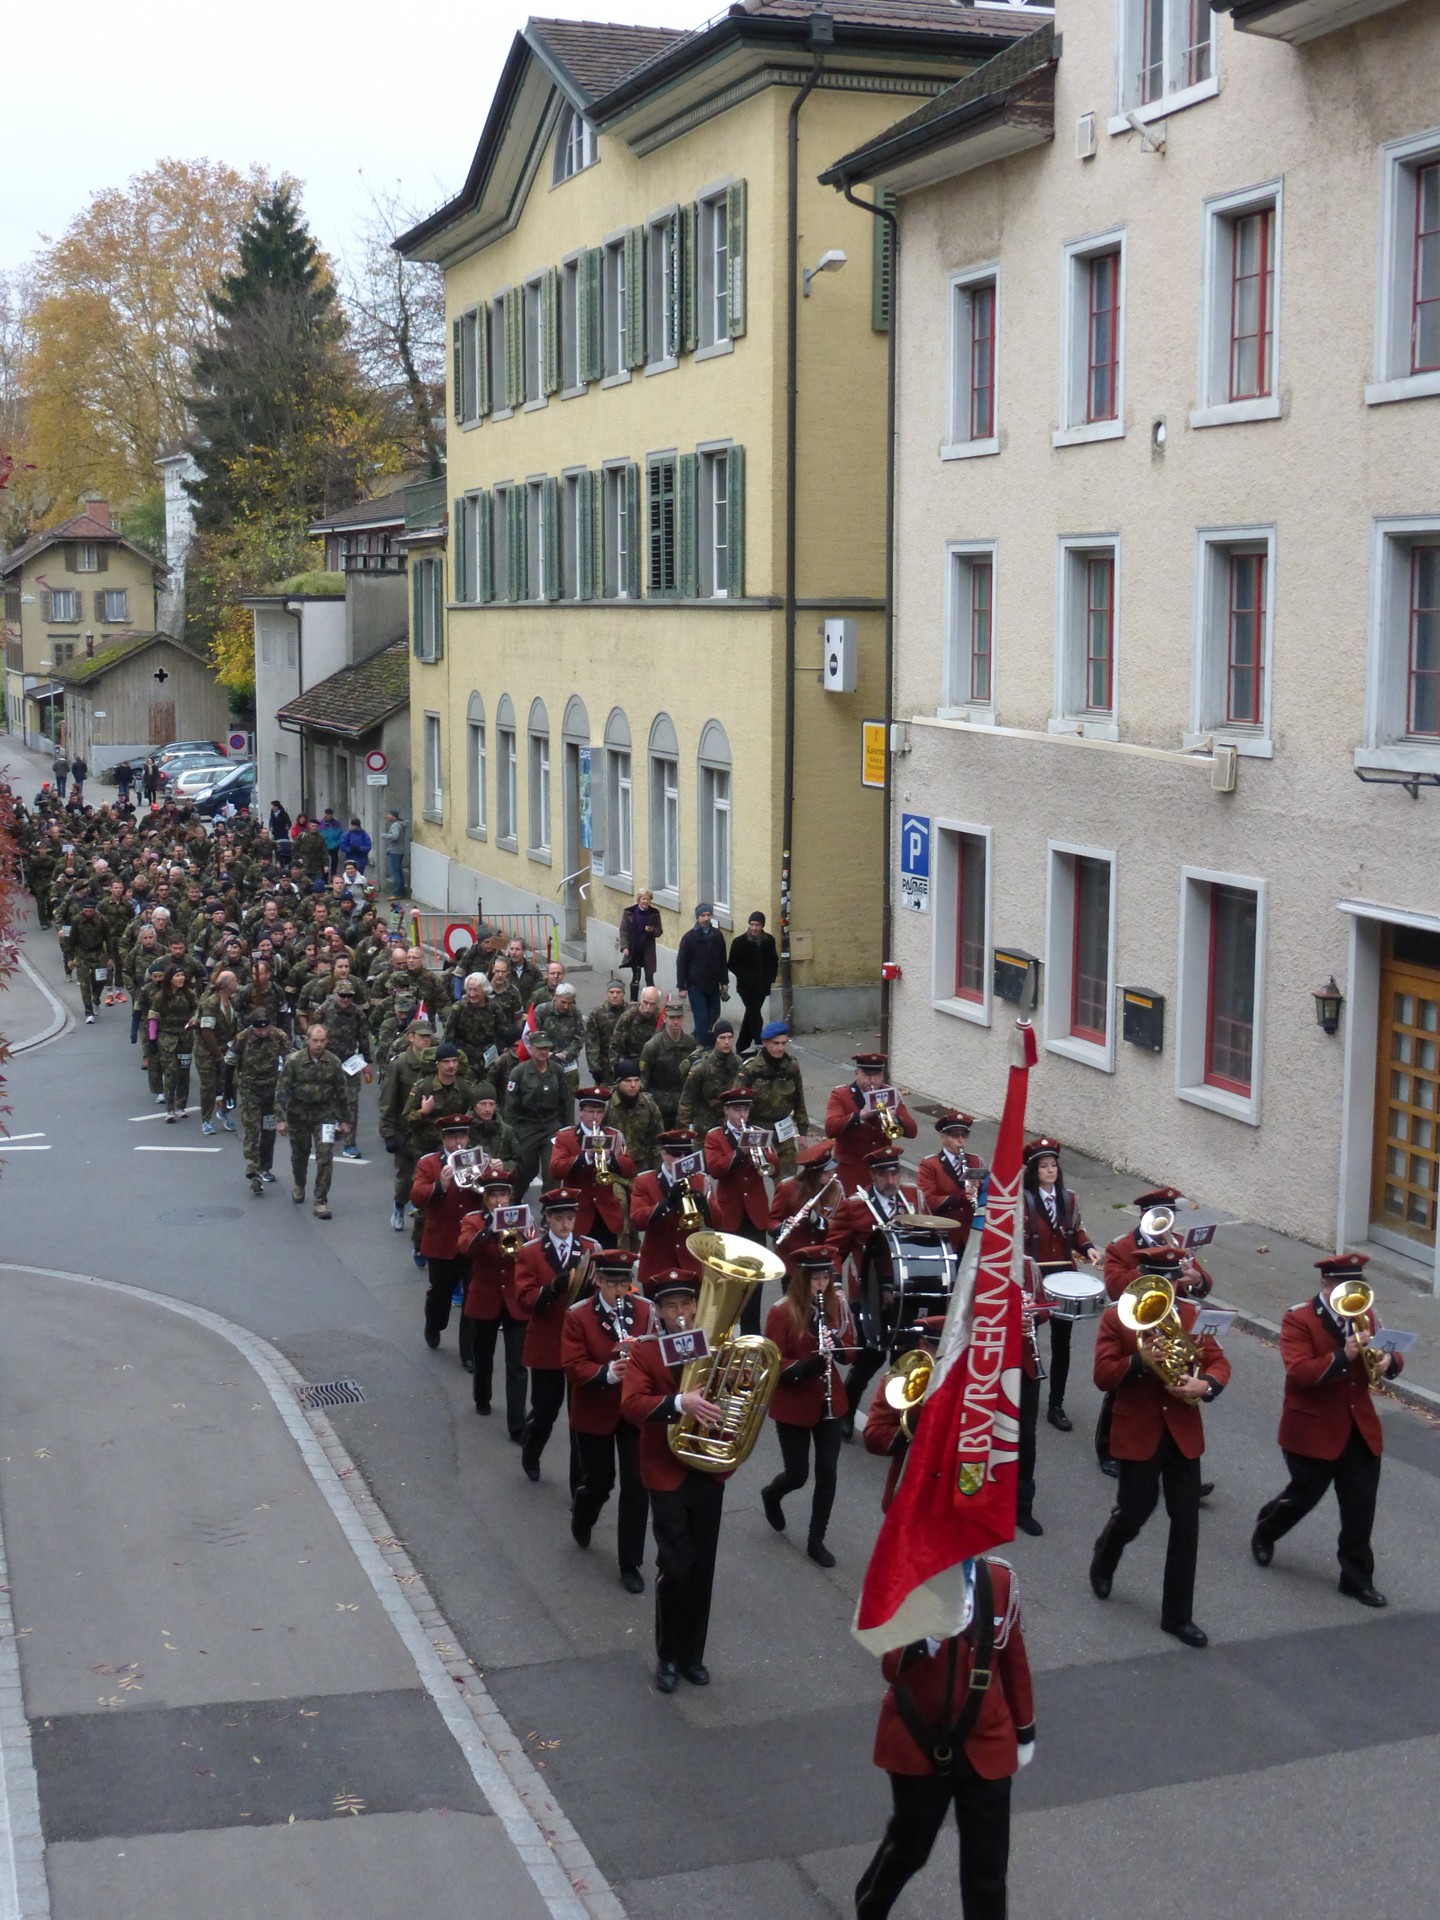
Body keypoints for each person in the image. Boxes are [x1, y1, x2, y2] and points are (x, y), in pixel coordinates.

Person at [855, 1556, 1035, 1920]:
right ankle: (870, 1906)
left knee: (987, 1869)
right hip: (918, 1739)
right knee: (911, 1846)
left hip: (987, 1741)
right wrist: (929, 1633)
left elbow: (1013, 1659)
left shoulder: (999, 1579)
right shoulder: (907, 1579)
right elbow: (891, 1667)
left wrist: (1024, 1731)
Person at [1089, 1248, 1230, 1646]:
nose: (1167, 1291)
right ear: (1143, 1279)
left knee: (1186, 1524)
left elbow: (1218, 1362)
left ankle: (1177, 1616)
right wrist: (1139, 1360)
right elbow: (1102, 1376)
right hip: (1139, 1432)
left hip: (1183, 1432)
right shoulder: (1117, 1317)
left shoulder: (1191, 1316)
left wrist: (1207, 1385)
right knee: (1135, 1512)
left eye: (1172, 1282)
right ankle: (1107, 1551)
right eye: (1159, 1282)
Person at [1251, 1253, 1399, 1607]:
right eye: (1344, 1287)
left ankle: (1357, 1577)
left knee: (1360, 1506)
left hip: (1358, 1427)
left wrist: (1389, 1360)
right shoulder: (1299, 1318)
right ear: (1326, 1285)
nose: (1353, 1294)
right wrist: (1341, 1357)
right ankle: (1267, 1528)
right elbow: (1299, 1373)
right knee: (1304, 1497)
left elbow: (1390, 1354)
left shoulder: (1366, 1315)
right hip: (1312, 1427)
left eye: (1358, 1286)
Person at [621, 1270, 729, 1692]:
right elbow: (631, 1405)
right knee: (676, 1566)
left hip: (708, 1467)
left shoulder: (715, 1347)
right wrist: (679, 1401)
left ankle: (692, 1656)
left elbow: (739, 1389)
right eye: (671, 1307)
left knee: (703, 1565)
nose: (681, 1314)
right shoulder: (646, 1352)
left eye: (687, 1305)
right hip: (665, 1471)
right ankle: (667, 1655)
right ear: (659, 1312)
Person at [1097, 1188, 1212, 1476]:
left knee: (1161, 1391)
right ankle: (1108, 1449)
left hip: (1171, 1319)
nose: (1168, 1223)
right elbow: (1113, 1287)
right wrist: (1150, 1271)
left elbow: (1204, 1285)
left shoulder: (1178, 1246)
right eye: (1162, 1216)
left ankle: (1178, 1465)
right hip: (1132, 1321)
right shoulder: (1122, 1247)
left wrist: (1196, 1278)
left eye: (1171, 1216)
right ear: (1143, 1216)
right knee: (1122, 1389)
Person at [562, 1247, 653, 1593]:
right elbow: (572, 1365)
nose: (619, 1290)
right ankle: (583, 1512)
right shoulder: (578, 1315)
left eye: (624, 1283)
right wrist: (608, 1373)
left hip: (633, 1412)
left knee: (637, 1484)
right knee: (600, 1483)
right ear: (597, 1280)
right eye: (612, 1283)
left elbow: (655, 1350)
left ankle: (630, 1562)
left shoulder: (645, 1310)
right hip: (595, 1409)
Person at [760, 1250, 855, 1566]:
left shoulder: (835, 1306)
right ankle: (772, 1494)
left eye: (826, 1278)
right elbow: (770, 1360)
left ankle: (817, 1540)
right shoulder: (781, 1311)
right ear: (802, 1278)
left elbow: (850, 1347)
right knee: (798, 1474)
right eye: (815, 1278)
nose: (822, 1284)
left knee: (828, 1472)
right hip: (794, 1402)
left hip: (830, 1401)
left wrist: (838, 1347)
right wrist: (805, 1366)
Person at [828, 1147, 922, 1431]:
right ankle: (846, 1411)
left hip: (907, 1293)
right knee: (870, 1358)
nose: (892, 1180)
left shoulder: (913, 1200)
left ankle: (896, 1419)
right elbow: (834, 1249)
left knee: (904, 1359)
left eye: (895, 1173)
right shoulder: (854, 1206)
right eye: (884, 1175)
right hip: (869, 1295)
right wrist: (836, 1287)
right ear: (873, 1175)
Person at [515, 1188, 598, 1483]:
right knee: (545, 1411)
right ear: (547, 1219)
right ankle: (531, 1450)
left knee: (580, 1416)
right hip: (547, 1342)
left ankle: (579, 1480)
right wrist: (552, 1288)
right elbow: (524, 1299)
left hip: (582, 1346)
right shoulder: (531, 1251)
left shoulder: (590, 1247)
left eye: (570, 1218)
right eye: (559, 1218)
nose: (566, 1224)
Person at [1021, 1136, 1101, 1435]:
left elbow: (1076, 1230)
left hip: (1064, 1278)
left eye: (1053, 1165)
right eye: (1044, 1166)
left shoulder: (1069, 1198)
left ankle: (1056, 1403)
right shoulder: (1023, 1200)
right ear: (1034, 1171)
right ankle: (1021, 1394)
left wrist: (1088, 1247)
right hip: (1034, 1279)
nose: (1050, 1171)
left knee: (1061, 1344)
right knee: (1027, 1339)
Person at [458, 1167, 531, 1435]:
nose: (499, 1200)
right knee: (483, 1354)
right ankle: (482, 1396)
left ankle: (517, 1426)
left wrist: (520, 1235)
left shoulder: (523, 1219)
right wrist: (488, 1230)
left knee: (517, 1364)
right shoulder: (473, 1221)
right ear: (485, 1198)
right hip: (485, 1297)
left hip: (515, 1300)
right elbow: (466, 1249)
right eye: (493, 1195)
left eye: (503, 1194)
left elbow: (532, 1250)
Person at [704, 1086, 776, 1332]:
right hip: (730, 1217)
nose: (742, 1114)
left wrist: (765, 1153)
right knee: (731, 1279)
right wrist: (740, 1152)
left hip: (755, 1217)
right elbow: (715, 1168)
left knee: (755, 1279)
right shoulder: (715, 1136)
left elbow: (774, 1165)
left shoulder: (757, 1133)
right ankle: (725, 1333)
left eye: (745, 1109)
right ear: (726, 1110)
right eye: (737, 1109)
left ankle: (751, 1334)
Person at [412, 1116, 480, 1353]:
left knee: (472, 1297)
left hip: (472, 1242)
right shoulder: (429, 1163)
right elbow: (417, 1196)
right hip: (442, 1242)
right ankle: (434, 1325)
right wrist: (439, 1184)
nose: (458, 1142)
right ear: (443, 1139)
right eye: (452, 1137)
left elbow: (498, 1195)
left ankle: (468, 1351)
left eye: (462, 1137)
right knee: (440, 1295)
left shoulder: (478, 1161)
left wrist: (490, 1178)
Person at [276, 1022, 351, 1219]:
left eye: (322, 1041)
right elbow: (282, 1091)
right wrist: (280, 1119)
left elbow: (342, 1093)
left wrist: (345, 1120)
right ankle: (299, 1183)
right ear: (307, 1040)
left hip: (324, 1116)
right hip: (298, 1115)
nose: (318, 1045)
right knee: (299, 1155)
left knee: (325, 1157)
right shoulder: (294, 1061)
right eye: (315, 1040)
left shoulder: (334, 1062)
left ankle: (321, 1200)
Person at [547, 1089, 634, 1248]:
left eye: (599, 1112)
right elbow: (556, 1169)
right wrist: (585, 1157)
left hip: (607, 1215)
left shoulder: (614, 1136)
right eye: (590, 1111)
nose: (595, 1117)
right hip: (579, 1216)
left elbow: (629, 1169)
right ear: (580, 1112)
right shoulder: (566, 1136)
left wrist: (611, 1158)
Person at [824, 1052, 917, 1195]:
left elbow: (912, 1131)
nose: (872, 1080)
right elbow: (830, 1129)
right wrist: (860, 1115)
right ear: (857, 1073)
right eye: (867, 1075)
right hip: (851, 1173)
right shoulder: (841, 1095)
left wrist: (896, 1119)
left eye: (877, 1075)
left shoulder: (890, 1094)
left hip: (882, 1173)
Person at [631, 1129, 712, 1294]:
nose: (682, 1159)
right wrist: (667, 1204)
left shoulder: (701, 1180)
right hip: (656, 1267)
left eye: (687, 1154)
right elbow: (637, 1219)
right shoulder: (645, 1181)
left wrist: (704, 1205)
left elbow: (719, 1221)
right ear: (663, 1154)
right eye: (676, 1154)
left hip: (690, 1266)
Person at [738, 1021, 808, 1181]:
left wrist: (803, 1132)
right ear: (765, 1043)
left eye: (784, 1043)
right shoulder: (751, 1068)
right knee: (752, 1178)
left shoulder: (791, 1066)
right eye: (775, 1043)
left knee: (788, 1180)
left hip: (783, 1128)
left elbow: (799, 1100)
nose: (780, 1048)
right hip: (757, 1127)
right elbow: (736, 1102)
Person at [504, 1031, 567, 1200]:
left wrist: (567, 1130)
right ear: (530, 1049)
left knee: (552, 1170)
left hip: (551, 1127)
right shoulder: (519, 1072)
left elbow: (565, 1102)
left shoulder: (557, 1071)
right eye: (539, 1048)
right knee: (525, 1170)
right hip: (527, 1126)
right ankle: (513, 1202)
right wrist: (512, 1135)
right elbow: (511, 1107)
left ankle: (551, 1209)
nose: (543, 1052)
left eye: (546, 1048)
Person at [916, 1112, 985, 1259]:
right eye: (954, 1135)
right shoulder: (930, 1164)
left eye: (964, 1135)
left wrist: (979, 1191)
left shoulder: (975, 1161)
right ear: (943, 1137)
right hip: (945, 1233)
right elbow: (927, 1201)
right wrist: (959, 1197)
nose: (960, 1141)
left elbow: (987, 1195)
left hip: (970, 1233)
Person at [769, 1139, 842, 1268]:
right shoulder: (788, 1187)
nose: (832, 1174)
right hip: (794, 1261)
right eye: (826, 1172)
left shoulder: (836, 1188)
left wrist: (817, 1220)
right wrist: (783, 1227)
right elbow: (771, 1222)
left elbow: (840, 1224)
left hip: (822, 1259)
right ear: (814, 1174)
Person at [234, 1009, 284, 1195]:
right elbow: (231, 1063)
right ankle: (253, 1170)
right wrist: (228, 1092)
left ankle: (266, 1167)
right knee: (252, 1129)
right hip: (250, 1090)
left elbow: (288, 1060)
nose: (262, 1033)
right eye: (258, 1029)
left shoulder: (279, 1036)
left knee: (269, 1131)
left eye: (265, 1029)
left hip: (272, 1090)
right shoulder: (242, 1038)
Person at [675, 903, 729, 1046]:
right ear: (697, 918)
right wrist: (681, 986)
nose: (706, 918)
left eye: (708, 915)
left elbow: (722, 960)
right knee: (701, 1017)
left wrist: (724, 982)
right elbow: (681, 963)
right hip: (695, 985)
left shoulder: (717, 935)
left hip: (713, 984)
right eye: (702, 915)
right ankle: (704, 1047)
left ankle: (697, 1036)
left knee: (714, 1015)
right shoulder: (689, 938)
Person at [676, 1019, 740, 1139]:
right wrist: (684, 1132)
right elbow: (686, 1101)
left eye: (729, 1037)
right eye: (722, 1037)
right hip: (704, 1130)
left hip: (731, 1128)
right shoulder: (701, 1067)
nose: (726, 1042)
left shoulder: (738, 1064)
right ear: (715, 1039)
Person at [152, 964, 199, 1120]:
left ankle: (181, 1106)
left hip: (185, 1037)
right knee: (171, 1072)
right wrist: (152, 1039)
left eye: (182, 976)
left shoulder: (190, 995)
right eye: (177, 976)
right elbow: (153, 1017)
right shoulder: (160, 996)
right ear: (170, 979)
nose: (181, 979)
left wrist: (194, 1019)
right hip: (167, 1038)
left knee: (184, 1073)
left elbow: (197, 1010)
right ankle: (170, 1109)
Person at [728, 912, 779, 1051]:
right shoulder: (739, 942)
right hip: (746, 987)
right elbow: (732, 964)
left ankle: (742, 1046)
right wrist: (745, 976)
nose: (754, 928)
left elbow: (774, 960)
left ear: (762, 926)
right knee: (755, 1014)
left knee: (751, 1014)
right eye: (752, 924)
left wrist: (771, 977)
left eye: (757, 925)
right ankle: (760, 1042)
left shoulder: (769, 940)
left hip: (762, 986)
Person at [640, 1000, 693, 1126]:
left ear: (683, 1019)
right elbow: (644, 1081)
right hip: (658, 1106)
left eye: (678, 1018)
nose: (675, 1022)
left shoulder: (691, 1044)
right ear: (664, 1018)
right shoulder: (652, 1046)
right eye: (671, 1017)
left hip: (682, 1107)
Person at [618, 889, 663, 1000]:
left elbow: (659, 932)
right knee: (636, 977)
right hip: (635, 948)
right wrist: (625, 947)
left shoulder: (654, 913)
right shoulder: (630, 912)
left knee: (649, 977)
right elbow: (624, 931)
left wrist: (652, 930)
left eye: (648, 899)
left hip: (648, 949)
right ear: (639, 900)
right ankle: (633, 1002)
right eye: (643, 899)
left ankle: (651, 1000)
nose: (646, 901)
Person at [584, 978, 629, 1085]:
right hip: (604, 1066)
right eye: (611, 992)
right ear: (607, 993)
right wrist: (594, 1067)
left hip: (626, 1064)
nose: (614, 995)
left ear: (623, 994)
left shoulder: (631, 1012)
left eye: (618, 992)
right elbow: (591, 1042)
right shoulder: (597, 1013)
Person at [384, 808, 409, 895]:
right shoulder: (400, 824)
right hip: (399, 850)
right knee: (399, 871)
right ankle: (401, 891)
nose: (387, 816)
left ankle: (397, 892)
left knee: (395, 873)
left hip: (395, 851)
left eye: (389, 814)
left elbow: (395, 836)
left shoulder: (395, 825)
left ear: (394, 816)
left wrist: (385, 836)